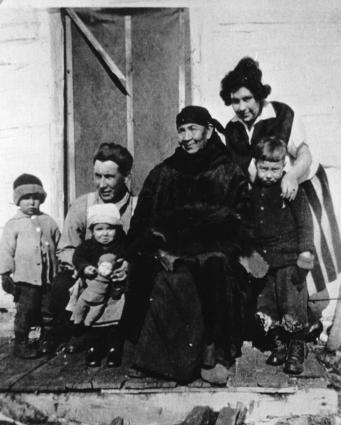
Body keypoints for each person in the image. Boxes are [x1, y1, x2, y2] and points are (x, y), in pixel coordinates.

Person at [123, 105, 252, 385]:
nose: (187, 136)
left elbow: (241, 224)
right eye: (181, 130)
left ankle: (214, 355)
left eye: (193, 129)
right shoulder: (165, 172)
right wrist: (155, 245)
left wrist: (201, 242)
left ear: (208, 130)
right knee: (155, 268)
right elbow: (142, 221)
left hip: (213, 251)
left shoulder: (228, 171)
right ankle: (154, 358)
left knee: (212, 264)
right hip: (169, 250)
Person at [220, 57, 341, 329]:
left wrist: (291, 175)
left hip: (300, 187)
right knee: (272, 262)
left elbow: (304, 154)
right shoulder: (233, 128)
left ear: (259, 95)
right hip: (266, 196)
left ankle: (308, 319)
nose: (241, 107)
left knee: (308, 254)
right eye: (235, 101)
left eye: (247, 99)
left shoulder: (282, 114)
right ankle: (282, 320)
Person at [51, 142, 135, 366]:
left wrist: (127, 266)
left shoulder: (136, 207)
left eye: (109, 177)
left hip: (121, 276)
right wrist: (84, 267)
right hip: (89, 275)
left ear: (125, 176)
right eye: (98, 176)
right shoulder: (82, 205)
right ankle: (80, 333)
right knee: (61, 284)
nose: (102, 184)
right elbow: (66, 248)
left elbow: (143, 249)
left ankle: (124, 337)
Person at [251, 138, 314, 374]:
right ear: (255, 164)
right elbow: (250, 226)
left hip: (289, 260)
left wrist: (306, 253)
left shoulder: (291, 188)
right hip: (265, 262)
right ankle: (277, 344)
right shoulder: (254, 193)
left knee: (292, 304)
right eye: (263, 168)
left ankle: (296, 348)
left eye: (274, 169)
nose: (268, 174)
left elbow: (305, 224)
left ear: (284, 164)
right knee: (267, 305)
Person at [0, 174, 60, 358]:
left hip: (47, 278)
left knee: (47, 310)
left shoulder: (48, 221)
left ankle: (47, 339)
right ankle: (21, 342)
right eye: (26, 198)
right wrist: (5, 274)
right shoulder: (13, 225)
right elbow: (5, 251)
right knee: (25, 311)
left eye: (36, 198)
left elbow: (59, 244)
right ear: (18, 200)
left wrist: (62, 266)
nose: (32, 202)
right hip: (24, 279)